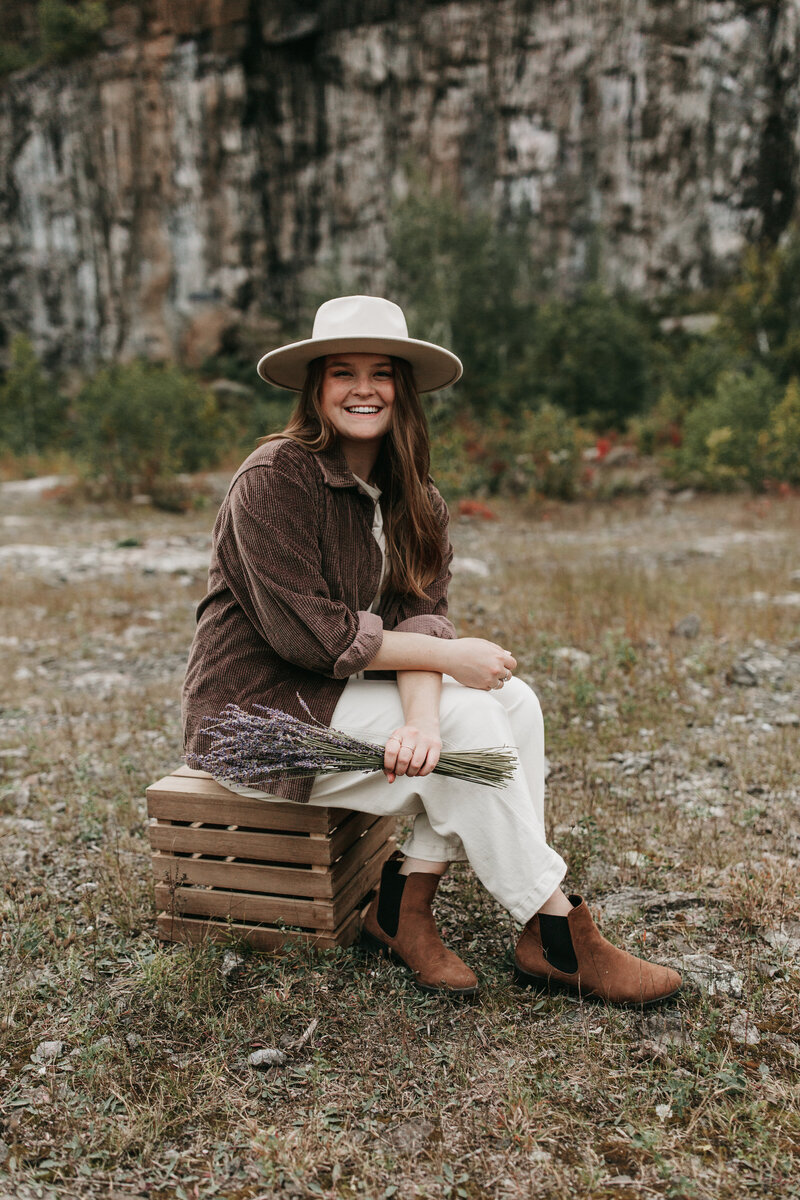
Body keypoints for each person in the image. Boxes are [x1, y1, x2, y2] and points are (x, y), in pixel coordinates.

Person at [182, 295, 681, 1005]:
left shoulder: (417, 500)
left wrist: (422, 720)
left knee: (513, 702)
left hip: (343, 692)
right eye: (342, 374)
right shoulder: (274, 479)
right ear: (315, 389)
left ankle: (403, 911)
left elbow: (419, 622)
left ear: (402, 388)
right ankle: (557, 930)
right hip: (259, 717)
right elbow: (317, 638)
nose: (363, 390)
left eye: (381, 372)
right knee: (473, 722)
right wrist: (448, 669)